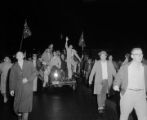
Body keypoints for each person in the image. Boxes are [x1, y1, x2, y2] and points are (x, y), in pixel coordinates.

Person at [113, 48, 147, 120]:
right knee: (124, 116)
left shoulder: (145, 67)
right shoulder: (125, 67)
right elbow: (118, 77)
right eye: (137, 54)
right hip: (128, 95)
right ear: (132, 56)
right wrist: (116, 85)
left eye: (141, 54)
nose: (140, 56)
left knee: (143, 117)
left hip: (141, 96)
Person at [9, 51, 37, 120]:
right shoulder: (14, 66)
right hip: (18, 89)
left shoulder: (29, 63)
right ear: (16, 57)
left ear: (23, 56)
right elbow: (12, 78)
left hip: (27, 89)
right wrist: (12, 89)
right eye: (17, 55)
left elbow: (35, 72)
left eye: (20, 55)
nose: (19, 56)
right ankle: (19, 115)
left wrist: (28, 79)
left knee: (26, 109)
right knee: (18, 108)